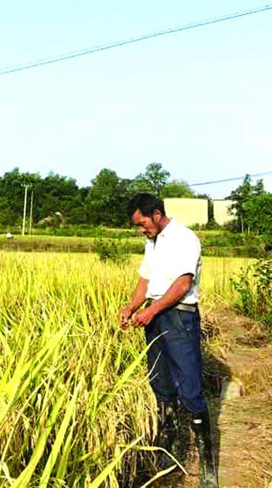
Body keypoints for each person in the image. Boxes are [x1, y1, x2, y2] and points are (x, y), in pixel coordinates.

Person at [120, 193, 217, 488]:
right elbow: (146, 281)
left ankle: (208, 465)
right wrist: (131, 307)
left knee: (189, 387)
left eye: (142, 223)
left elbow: (183, 284)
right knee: (160, 383)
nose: (141, 230)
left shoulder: (185, 239)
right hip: (156, 316)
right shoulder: (152, 242)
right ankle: (169, 451)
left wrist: (151, 310)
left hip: (179, 317)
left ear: (157, 213)